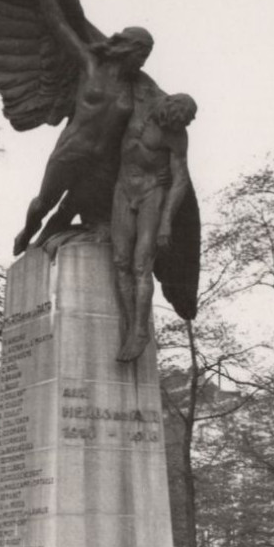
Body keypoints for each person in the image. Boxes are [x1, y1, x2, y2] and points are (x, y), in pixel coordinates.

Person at [11, 0, 154, 256]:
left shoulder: (137, 90)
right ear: (126, 48)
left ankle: (45, 244)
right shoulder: (91, 67)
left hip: (101, 164)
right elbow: (58, 24)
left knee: (70, 208)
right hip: (71, 151)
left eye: (146, 56)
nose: (143, 61)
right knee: (42, 204)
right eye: (141, 53)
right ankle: (27, 232)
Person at [110, 91, 197, 362]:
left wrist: (166, 222)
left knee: (140, 264)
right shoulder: (137, 104)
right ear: (167, 105)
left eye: (177, 125)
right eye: (170, 121)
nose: (172, 127)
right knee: (121, 260)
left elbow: (181, 179)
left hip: (151, 193)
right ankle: (129, 323)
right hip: (123, 189)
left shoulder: (177, 136)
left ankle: (139, 330)